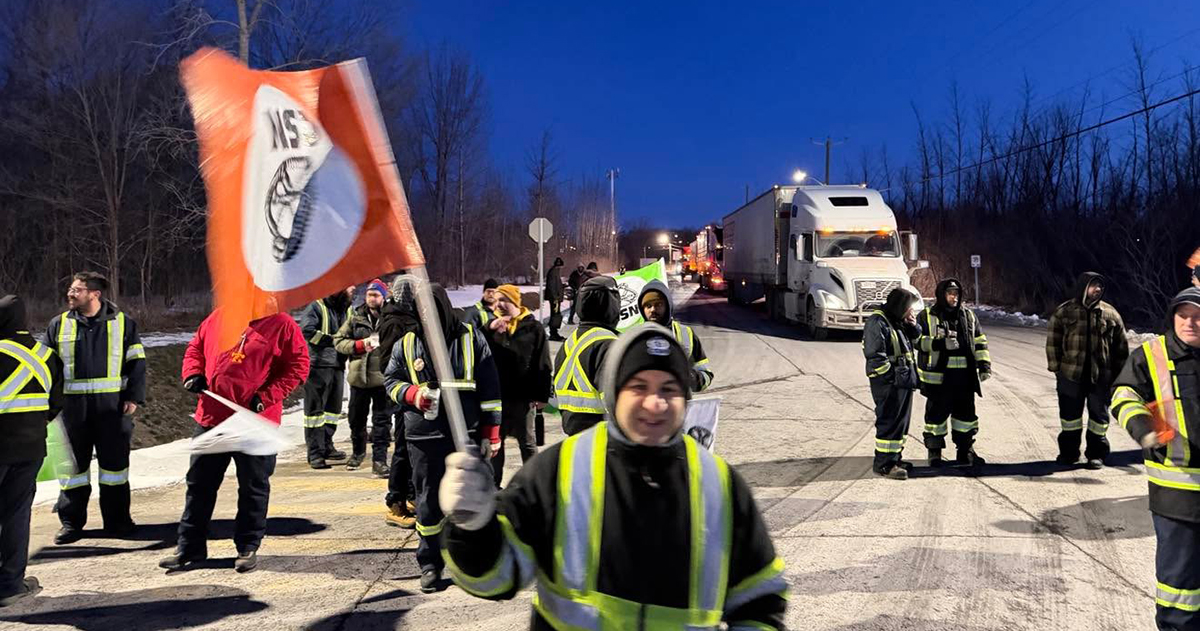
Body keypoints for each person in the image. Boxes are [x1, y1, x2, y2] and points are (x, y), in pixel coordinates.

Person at [439, 324, 789, 629]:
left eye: (668, 389)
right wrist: (472, 527)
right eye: (639, 386)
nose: (655, 403)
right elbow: (495, 580)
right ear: (613, 392)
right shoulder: (559, 469)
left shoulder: (721, 486)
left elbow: (761, 599)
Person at [161, 309, 309, 573]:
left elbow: (298, 366)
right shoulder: (219, 317)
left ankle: (247, 545)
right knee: (199, 486)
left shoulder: (282, 324)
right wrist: (192, 373)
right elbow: (195, 347)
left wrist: (267, 395)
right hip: (212, 416)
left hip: (254, 420)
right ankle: (190, 546)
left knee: (253, 487)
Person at [383, 283, 501, 592]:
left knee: (472, 498)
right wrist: (412, 394)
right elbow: (390, 380)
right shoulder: (407, 343)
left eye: (431, 309)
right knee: (428, 503)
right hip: (424, 438)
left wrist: (493, 431)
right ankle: (430, 563)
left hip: (467, 435)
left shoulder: (470, 336)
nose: (426, 316)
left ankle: (474, 560)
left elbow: (490, 389)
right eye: (421, 310)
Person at [1111, 287, 1200, 629]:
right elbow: (1123, 394)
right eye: (1183, 315)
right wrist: (1142, 426)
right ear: (1172, 317)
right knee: (1179, 589)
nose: (1190, 323)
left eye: (1198, 316)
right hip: (1177, 495)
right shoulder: (1153, 354)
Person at [46, 271, 145, 544]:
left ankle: (117, 522)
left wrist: (134, 397)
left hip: (112, 410)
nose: (70, 293)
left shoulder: (124, 324)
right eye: (70, 288)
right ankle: (71, 524)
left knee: (114, 470)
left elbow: (137, 362)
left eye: (77, 289)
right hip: (71, 411)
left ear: (94, 294)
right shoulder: (58, 324)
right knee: (72, 471)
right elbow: (48, 369)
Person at [0, 296, 64, 607]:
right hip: (31, 448)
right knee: (15, 515)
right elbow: (54, 405)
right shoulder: (46, 355)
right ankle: (11, 585)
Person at [1047, 272, 1128, 469]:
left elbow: (1121, 347)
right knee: (1069, 419)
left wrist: (1119, 375)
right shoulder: (1065, 311)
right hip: (1070, 375)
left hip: (1100, 377)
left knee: (1099, 419)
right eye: (1093, 286)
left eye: (1100, 286)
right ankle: (1069, 453)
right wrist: (1057, 368)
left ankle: (1096, 454)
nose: (1097, 290)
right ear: (1083, 287)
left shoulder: (1110, 314)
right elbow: (1053, 341)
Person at [915, 278, 991, 468]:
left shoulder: (968, 316)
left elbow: (980, 341)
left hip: (965, 379)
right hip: (939, 379)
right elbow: (916, 341)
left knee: (966, 417)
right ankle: (934, 452)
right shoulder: (926, 316)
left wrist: (984, 365)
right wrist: (940, 344)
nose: (953, 297)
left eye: (956, 294)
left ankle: (965, 451)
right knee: (936, 418)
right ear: (941, 294)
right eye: (950, 293)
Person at [483, 284, 552, 487]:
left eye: (504, 300)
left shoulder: (533, 327)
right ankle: (494, 484)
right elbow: (476, 346)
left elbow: (543, 363)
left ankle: (534, 484)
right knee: (497, 443)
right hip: (498, 395)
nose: (499, 305)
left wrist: (541, 395)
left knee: (527, 442)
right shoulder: (492, 326)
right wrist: (489, 329)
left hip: (523, 396)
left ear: (515, 302)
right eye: (496, 301)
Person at [334, 279, 393, 474]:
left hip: (383, 380)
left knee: (382, 422)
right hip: (359, 379)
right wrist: (358, 346)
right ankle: (358, 453)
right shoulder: (355, 317)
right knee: (356, 419)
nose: (372, 298)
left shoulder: (390, 318)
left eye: (376, 295)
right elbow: (338, 341)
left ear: (384, 297)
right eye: (369, 294)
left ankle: (379, 460)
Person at [863, 288, 921, 480]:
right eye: (909, 308)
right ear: (899, 306)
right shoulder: (877, 322)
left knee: (901, 424)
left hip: (902, 380)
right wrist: (891, 376)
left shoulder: (896, 319)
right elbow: (875, 356)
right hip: (889, 383)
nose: (911, 312)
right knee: (889, 421)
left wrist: (912, 325)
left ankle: (895, 458)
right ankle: (884, 465)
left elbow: (915, 340)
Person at [378, 275, 421, 529]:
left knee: (411, 447)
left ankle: (410, 493)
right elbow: (389, 362)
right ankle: (395, 501)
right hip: (404, 393)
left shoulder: (406, 316)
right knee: (404, 448)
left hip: (413, 392)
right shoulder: (396, 321)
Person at [554, 275, 621, 435]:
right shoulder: (608, 344)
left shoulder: (570, 342)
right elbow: (615, 401)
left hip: (573, 433)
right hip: (602, 436)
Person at [300, 286, 354, 469]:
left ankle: (327, 446)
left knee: (332, 411)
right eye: (349, 286)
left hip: (338, 365)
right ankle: (315, 453)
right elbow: (307, 331)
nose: (353, 289)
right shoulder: (316, 306)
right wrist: (334, 341)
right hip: (318, 366)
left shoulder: (347, 308)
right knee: (315, 412)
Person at [638, 279, 714, 391]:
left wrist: (691, 377)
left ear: (668, 305)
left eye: (658, 304)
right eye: (648, 306)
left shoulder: (686, 334)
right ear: (642, 309)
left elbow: (707, 375)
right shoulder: (634, 337)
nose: (653, 310)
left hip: (678, 405)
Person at [545, 257, 566, 342]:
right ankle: (553, 334)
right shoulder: (553, 272)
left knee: (556, 315)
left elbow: (555, 285)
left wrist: (562, 286)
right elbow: (551, 286)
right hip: (555, 299)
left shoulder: (554, 272)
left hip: (555, 298)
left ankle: (554, 333)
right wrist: (555, 298)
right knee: (555, 315)